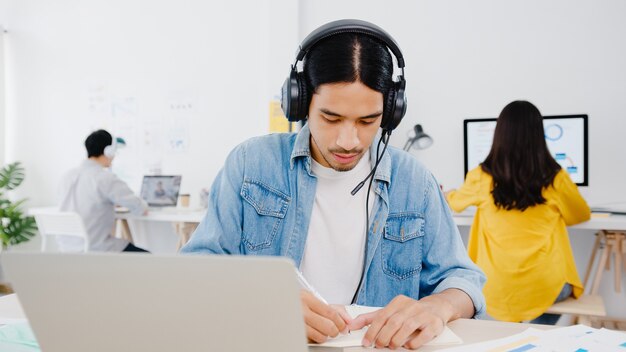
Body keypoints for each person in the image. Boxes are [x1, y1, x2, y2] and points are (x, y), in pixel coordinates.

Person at [182, 19, 485, 349]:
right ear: (300, 103)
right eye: (331, 118)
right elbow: (196, 271)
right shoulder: (251, 164)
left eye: (368, 121)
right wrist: (263, 301)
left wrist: (438, 307)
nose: (348, 141)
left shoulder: (415, 181)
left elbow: (462, 280)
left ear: (391, 112)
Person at [446, 100, 591, 324]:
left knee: (504, 330)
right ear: (538, 135)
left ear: (500, 134)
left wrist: (450, 193)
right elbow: (581, 214)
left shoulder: (480, 177)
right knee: (543, 324)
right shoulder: (556, 178)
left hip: (496, 286)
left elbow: (453, 204)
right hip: (545, 286)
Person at [58, 129, 150, 253]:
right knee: (148, 257)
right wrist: (144, 205)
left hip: (67, 250)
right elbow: (139, 207)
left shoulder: (67, 176)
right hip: (96, 249)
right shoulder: (104, 178)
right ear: (108, 151)